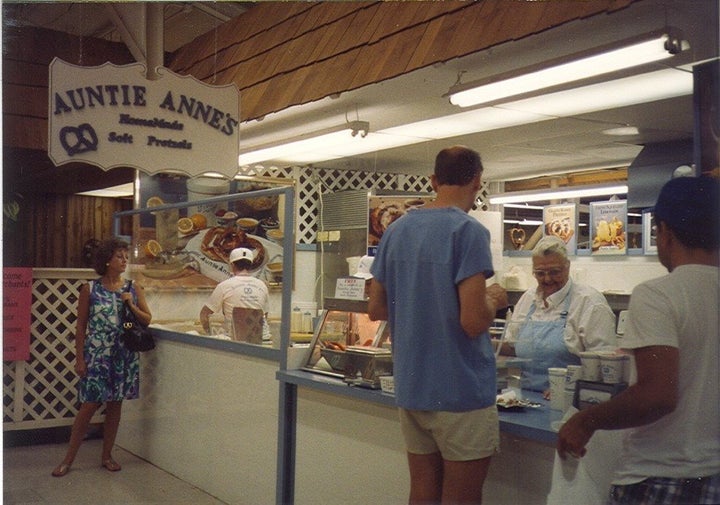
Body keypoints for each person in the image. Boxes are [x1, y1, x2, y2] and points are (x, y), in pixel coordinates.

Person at [557, 176, 720, 505]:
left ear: (665, 231)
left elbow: (657, 396)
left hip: (661, 478)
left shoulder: (659, 294)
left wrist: (586, 421)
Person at [368, 145, 508, 505]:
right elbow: (473, 320)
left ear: (433, 180)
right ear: (477, 181)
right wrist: (493, 299)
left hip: (413, 386)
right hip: (460, 390)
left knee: (422, 491)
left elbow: (376, 308)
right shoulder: (468, 231)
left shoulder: (396, 230)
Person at [52, 238, 152, 477]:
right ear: (107, 260)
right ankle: (68, 459)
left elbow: (146, 319)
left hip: (123, 353)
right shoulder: (90, 288)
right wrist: (79, 358)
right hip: (97, 353)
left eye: (126, 256)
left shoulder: (132, 288)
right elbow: (80, 327)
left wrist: (131, 305)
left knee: (115, 404)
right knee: (88, 406)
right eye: (119, 256)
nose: (124, 260)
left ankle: (107, 455)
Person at [501, 235, 616, 395]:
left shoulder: (589, 303)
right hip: (524, 398)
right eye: (540, 273)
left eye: (554, 272)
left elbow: (605, 365)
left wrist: (568, 386)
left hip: (568, 400)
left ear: (567, 267)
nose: (547, 279)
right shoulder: (528, 299)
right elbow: (513, 346)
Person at [200, 247, 270, 340]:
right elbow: (265, 314)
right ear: (250, 265)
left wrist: (209, 334)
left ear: (232, 265)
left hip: (236, 341)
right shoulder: (262, 285)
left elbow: (204, 314)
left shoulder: (224, 286)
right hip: (263, 340)